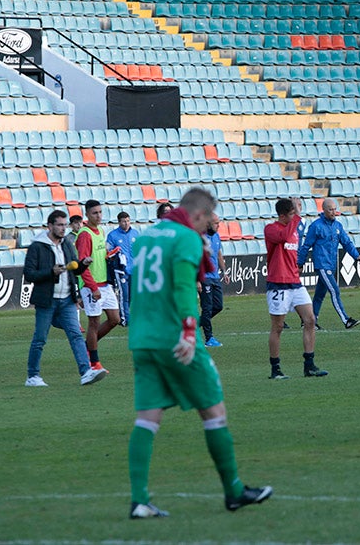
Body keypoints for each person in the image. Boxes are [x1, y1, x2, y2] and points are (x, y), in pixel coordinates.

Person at [126, 187, 271, 518]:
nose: (209, 226)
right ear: (199, 214)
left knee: (147, 417)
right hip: (174, 337)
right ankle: (234, 491)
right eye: (209, 219)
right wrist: (190, 332)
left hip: (142, 338)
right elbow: (182, 287)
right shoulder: (187, 238)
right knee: (214, 411)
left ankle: (139, 500)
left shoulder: (148, 236)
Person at [23, 210, 108, 387]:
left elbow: (74, 269)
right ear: (50, 226)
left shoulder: (67, 244)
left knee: (76, 335)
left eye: (64, 225)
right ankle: (33, 376)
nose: (63, 228)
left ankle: (86, 372)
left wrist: (83, 265)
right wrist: (50, 272)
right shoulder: (38, 246)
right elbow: (29, 274)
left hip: (67, 299)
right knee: (40, 339)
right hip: (47, 300)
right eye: (60, 225)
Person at [264, 197, 327, 379]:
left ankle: (309, 365)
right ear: (282, 215)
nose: (295, 216)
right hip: (278, 283)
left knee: (310, 320)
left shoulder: (293, 230)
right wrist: (297, 217)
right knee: (278, 327)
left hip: (295, 282)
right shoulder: (271, 229)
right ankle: (275, 369)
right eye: (291, 214)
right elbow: (283, 237)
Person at [297, 198, 360, 329]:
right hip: (322, 265)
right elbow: (306, 246)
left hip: (331, 265)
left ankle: (309, 322)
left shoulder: (338, 226)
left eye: (334, 209)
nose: (333, 212)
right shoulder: (316, 226)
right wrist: (300, 263)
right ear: (324, 210)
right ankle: (346, 320)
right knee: (335, 291)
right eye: (330, 209)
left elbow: (346, 242)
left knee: (319, 295)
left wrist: (356, 255)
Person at [76, 199, 121, 372]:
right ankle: (94, 363)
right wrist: (93, 287)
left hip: (104, 283)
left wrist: (109, 255)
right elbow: (83, 264)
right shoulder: (85, 234)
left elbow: (99, 256)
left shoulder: (100, 231)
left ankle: (87, 347)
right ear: (87, 214)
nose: (99, 215)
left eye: (100, 212)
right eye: (95, 213)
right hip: (91, 286)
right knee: (94, 323)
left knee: (114, 319)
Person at [200, 213, 228, 347]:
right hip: (204, 277)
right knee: (207, 308)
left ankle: (194, 325)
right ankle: (209, 338)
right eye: (216, 223)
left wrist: (224, 271)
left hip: (215, 277)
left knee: (218, 306)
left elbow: (218, 254)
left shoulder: (216, 236)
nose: (219, 225)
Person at [107, 211, 139, 326]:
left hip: (134, 269)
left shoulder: (135, 233)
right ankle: (124, 319)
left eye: (128, 221)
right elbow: (108, 252)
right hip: (121, 270)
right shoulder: (113, 235)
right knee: (123, 295)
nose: (126, 223)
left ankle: (129, 316)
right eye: (124, 221)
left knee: (132, 295)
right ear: (119, 222)